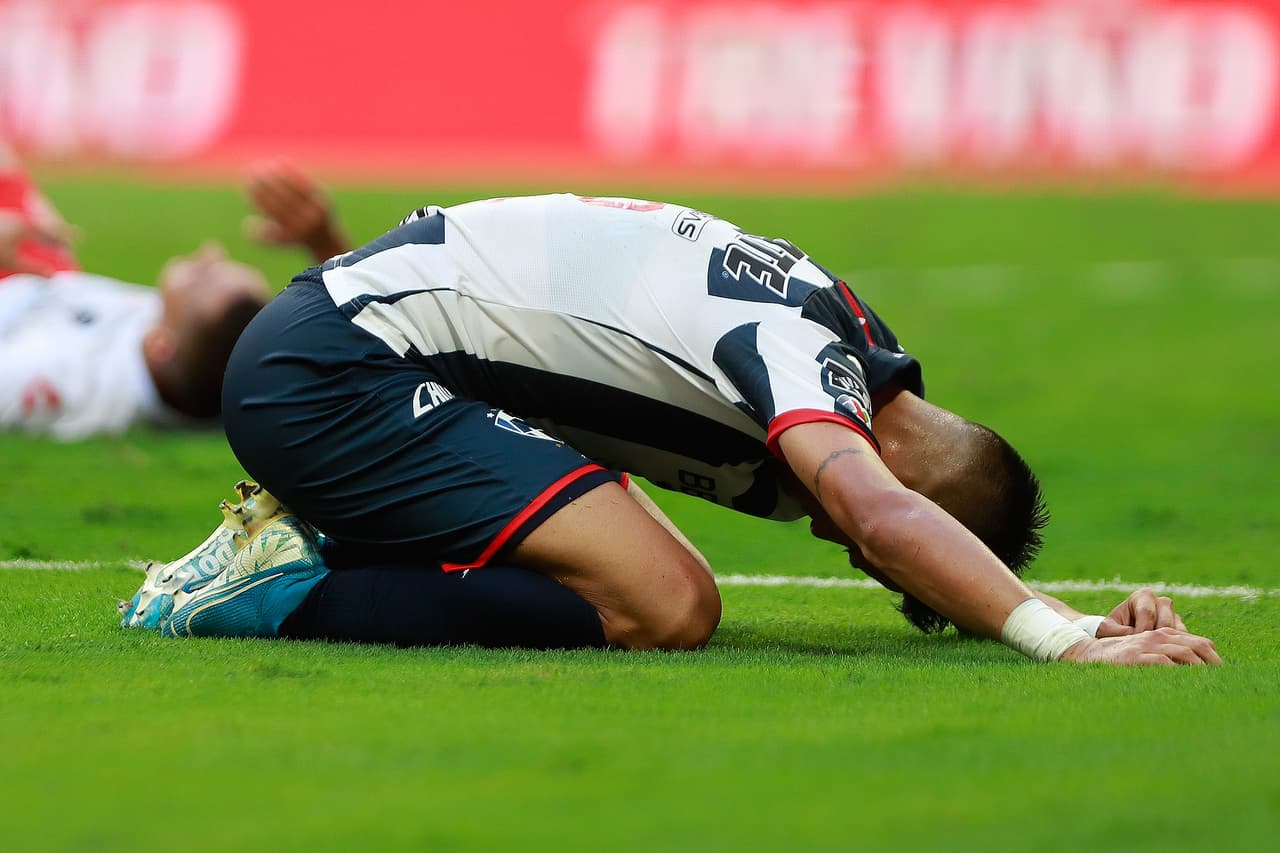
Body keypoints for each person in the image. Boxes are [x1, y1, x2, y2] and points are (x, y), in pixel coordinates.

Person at [122, 193, 1221, 667]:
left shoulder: (845, 331)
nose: (833, 536)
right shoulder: (810, 370)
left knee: (664, 580)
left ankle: (317, 544)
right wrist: (1064, 637)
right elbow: (882, 517)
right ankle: (278, 589)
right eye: (851, 541)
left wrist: (1071, 608)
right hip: (331, 371)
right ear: (901, 485)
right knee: (665, 603)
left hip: (363, 344)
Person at [0, 153, 342, 439]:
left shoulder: (51, 378)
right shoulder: (190, 359)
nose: (211, 252)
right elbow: (355, 356)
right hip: (45, 285)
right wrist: (324, 244)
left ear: (161, 344)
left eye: (202, 276)